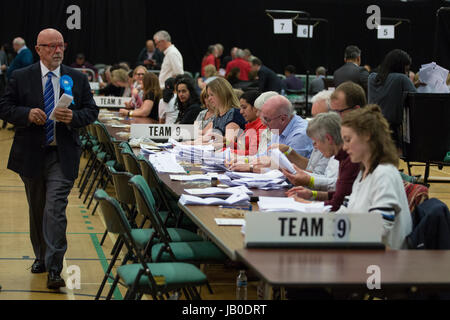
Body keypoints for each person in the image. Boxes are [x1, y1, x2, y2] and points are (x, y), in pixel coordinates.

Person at [0, 28, 98, 289]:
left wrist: (74, 118)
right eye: (52, 46)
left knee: (55, 209)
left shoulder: (76, 77)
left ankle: (55, 267)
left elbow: (91, 110)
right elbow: (5, 107)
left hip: (61, 155)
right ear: (39, 49)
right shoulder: (21, 77)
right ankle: (40, 256)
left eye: (61, 46)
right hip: (31, 155)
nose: (58, 51)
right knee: (37, 208)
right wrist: (26, 114)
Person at [337, 105, 413, 249]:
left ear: (367, 135)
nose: (345, 147)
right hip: (365, 253)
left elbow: (380, 227)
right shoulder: (364, 172)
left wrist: (336, 230)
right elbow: (346, 210)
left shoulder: (384, 174)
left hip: (384, 263)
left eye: (348, 140)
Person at [286, 112, 360, 211]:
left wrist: (305, 203)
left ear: (328, 139)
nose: (315, 147)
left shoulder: (350, 159)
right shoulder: (338, 155)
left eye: (316, 142)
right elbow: (340, 193)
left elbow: (337, 203)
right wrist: (312, 194)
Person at [272, 90, 338, 191]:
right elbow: (312, 169)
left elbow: (328, 183)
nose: (263, 122)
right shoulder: (320, 135)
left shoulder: (326, 139)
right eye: (313, 117)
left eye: (319, 117)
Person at [367, 49, 418, 147]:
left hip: (371, 127)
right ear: (400, 66)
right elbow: (417, 98)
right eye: (406, 69)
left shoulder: (371, 78)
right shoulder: (402, 78)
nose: (406, 72)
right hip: (391, 131)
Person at [205, 77, 246, 149]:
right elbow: (206, 138)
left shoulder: (233, 113)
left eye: (212, 95)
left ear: (222, 93)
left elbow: (228, 143)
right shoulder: (217, 116)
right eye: (208, 95)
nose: (209, 98)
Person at [233, 89, 266, 156]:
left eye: (244, 107)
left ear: (256, 108)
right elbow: (242, 147)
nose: (241, 112)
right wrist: (225, 142)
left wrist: (228, 151)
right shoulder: (249, 124)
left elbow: (253, 153)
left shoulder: (263, 126)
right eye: (240, 108)